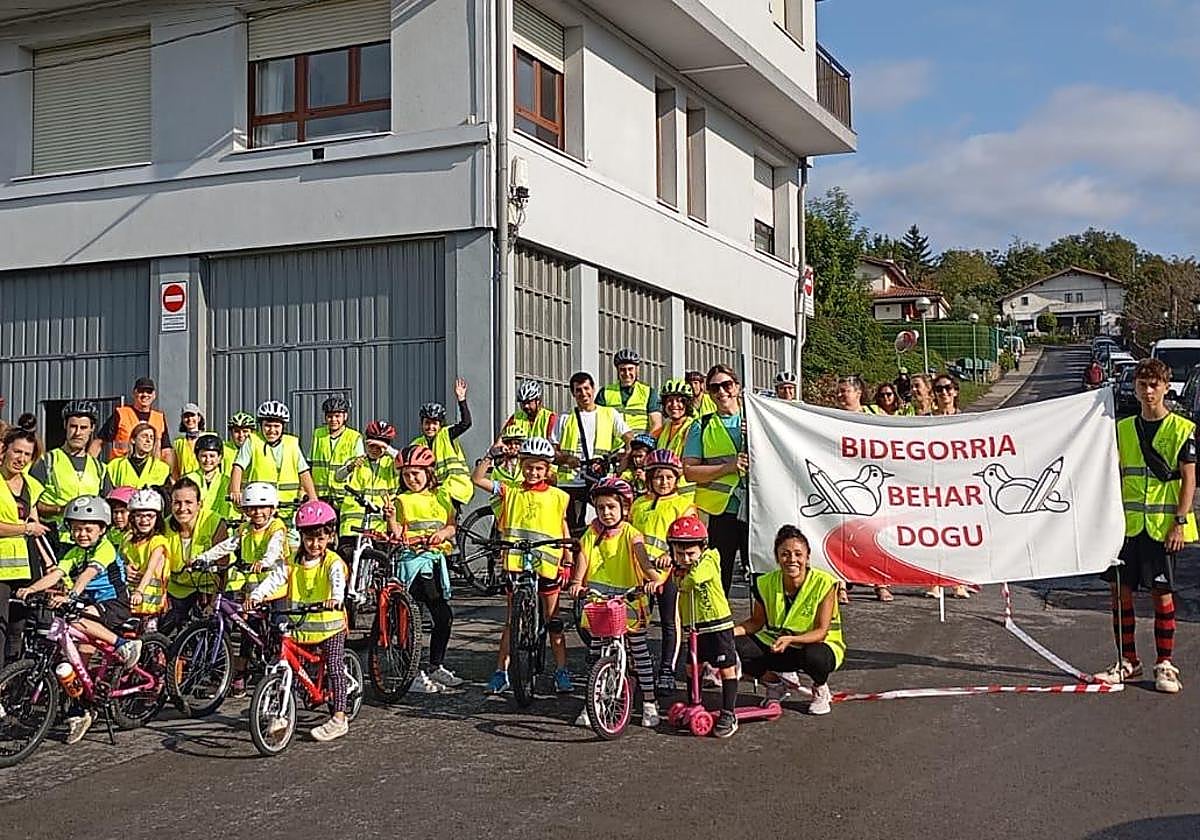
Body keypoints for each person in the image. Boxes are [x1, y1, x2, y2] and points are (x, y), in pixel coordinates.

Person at [1095, 358, 1194, 693]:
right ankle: (1128, 662)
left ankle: (1165, 664)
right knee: (1119, 595)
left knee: (1161, 596)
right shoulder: (1121, 429)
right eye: (1142, 384)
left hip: (1162, 528)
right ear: (1135, 388)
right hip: (1126, 528)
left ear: (1166, 387)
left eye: (1154, 385)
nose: (1148, 391)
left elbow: (1189, 480)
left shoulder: (1182, 429)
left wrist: (1179, 523)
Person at [16, 495, 142, 743]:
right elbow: (58, 573)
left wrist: (71, 596)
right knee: (73, 662)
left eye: (88, 529)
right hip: (87, 604)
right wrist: (32, 589)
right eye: (76, 529)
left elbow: (87, 575)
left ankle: (125, 645)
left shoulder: (105, 548)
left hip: (114, 603)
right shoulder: (75, 551)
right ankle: (82, 709)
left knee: (78, 619)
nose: (81, 534)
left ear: (102, 529)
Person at [471, 436, 573, 695]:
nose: (533, 472)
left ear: (547, 469)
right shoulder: (511, 491)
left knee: (553, 620)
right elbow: (478, 480)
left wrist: (568, 556)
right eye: (528, 466)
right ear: (521, 466)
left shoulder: (559, 496)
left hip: (547, 563)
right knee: (510, 622)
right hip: (516, 562)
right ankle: (500, 671)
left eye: (539, 468)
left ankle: (561, 670)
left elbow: (561, 524)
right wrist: (490, 455)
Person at [249, 499, 350, 742]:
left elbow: (338, 581)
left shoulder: (332, 561)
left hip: (330, 626)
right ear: (301, 537)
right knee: (290, 668)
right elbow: (275, 579)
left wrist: (335, 598)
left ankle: (339, 717)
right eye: (309, 538)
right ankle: (282, 714)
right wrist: (256, 595)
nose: (314, 544)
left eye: (320, 538)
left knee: (335, 666)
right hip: (301, 625)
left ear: (330, 537)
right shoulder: (292, 562)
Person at [568, 477, 661, 728]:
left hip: (629, 601)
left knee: (639, 652)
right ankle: (593, 704)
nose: (606, 513)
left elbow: (644, 562)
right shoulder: (591, 533)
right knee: (597, 653)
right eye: (601, 508)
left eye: (611, 507)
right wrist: (577, 582)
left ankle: (650, 702)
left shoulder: (632, 534)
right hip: (599, 601)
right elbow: (583, 559)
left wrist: (657, 580)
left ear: (624, 508)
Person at [192, 481, 291, 696]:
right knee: (247, 629)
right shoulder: (245, 529)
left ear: (272, 508)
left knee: (279, 627)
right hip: (252, 588)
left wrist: (265, 561)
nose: (257, 512)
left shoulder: (276, 528)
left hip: (275, 585)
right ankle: (240, 674)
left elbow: (274, 549)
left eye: (262, 507)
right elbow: (228, 545)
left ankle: (282, 671)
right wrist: (203, 558)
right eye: (251, 508)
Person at [734, 524, 844, 715]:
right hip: (778, 645)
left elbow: (821, 631)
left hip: (817, 645)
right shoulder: (765, 582)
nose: (792, 559)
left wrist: (792, 640)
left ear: (807, 557)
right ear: (777, 557)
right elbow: (756, 622)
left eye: (798, 554)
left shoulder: (825, 583)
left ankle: (820, 688)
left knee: (815, 656)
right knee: (733, 644)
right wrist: (726, 632)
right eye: (785, 554)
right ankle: (774, 684)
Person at [386, 444, 461, 693]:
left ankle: (435, 665)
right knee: (411, 621)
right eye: (406, 474)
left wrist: (442, 534)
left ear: (429, 473)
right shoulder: (401, 500)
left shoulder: (441, 496)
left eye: (416, 473)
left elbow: (451, 526)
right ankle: (413, 672)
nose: (411, 479)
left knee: (443, 617)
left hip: (435, 564)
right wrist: (390, 519)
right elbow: (396, 532)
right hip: (412, 566)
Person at [667, 515, 740, 738]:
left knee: (725, 667)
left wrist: (681, 575)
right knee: (692, 666)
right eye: (680, 554)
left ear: (702, 548)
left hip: (717, 623)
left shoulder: (709, 559)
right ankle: (694, 703)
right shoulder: (679, 567)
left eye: (691, 554)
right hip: (695, 626)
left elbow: (693, 580)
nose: (686, 559)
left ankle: (729, 712)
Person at [630, 449, 696, 694]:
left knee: (670, 622)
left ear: (676, 479)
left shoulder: (683, 505)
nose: (664, 482)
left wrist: (671, 555)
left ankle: (667, 669)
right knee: (636, 621)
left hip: (670, 572)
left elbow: (689, 539)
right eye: (658, 477)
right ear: (649, 478)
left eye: (669, 477)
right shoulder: (639, 504)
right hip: (640, 571)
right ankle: (637, 668)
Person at [682, 364, 747, 596]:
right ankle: (715, 627)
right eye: (714, 387)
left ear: (737, 387)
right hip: (722, 512)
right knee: (719, 575)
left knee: (762, 576)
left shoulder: (757, 419)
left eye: (726, 385)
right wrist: (728, 467)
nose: (721, 392)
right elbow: (689, 471)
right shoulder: (702, 425)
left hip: (758, 510)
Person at [553, 371, 633, 535]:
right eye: (578, 390)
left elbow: (629, 438)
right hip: (571, 481)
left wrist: (624, 459)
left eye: (586, 388)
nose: (584, 393)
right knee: (572, 527)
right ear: (573, 394)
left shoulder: (609, 414)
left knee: (609, 518)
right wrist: (566, 459)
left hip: (599, 477)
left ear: (593, 389)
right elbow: (552, 452)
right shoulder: (565, 418)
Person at [834, 375, 890, 603]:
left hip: (871, 488)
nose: (839, 395)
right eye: (838, 391)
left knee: (873, 536)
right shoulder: (829, 419)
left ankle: (881, 584)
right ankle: (840, 586)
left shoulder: (875, 414)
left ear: (858, 393)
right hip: (843, 482)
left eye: (844, 391)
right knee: (839, 536)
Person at [0, 427, 50, 667]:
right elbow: (29, 528)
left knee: (17, 631)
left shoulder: (31, 485)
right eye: (16, 451)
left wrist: (49, 564)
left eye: (26, 454)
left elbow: (36, 526)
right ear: (5, 450)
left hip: (26, 568)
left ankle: (10, 687)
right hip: (1, 571)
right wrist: (25, 529)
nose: (20, 459)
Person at [31, 401, 108, 552]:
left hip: (89, 544)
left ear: (91, 429)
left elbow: (107, 507)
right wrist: (60, 509)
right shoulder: (47, 461)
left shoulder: (100, 468)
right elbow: (31, 503)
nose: (78, 433)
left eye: (83, 427)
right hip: (55, 540)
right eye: (73, 426)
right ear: (65, 426)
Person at [229, 400, 317, 524]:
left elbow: (303, 472)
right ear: (261, 425)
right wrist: (235, 491)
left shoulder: (291, 444)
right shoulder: (252, 441)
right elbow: (238, 466)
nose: (272, 430)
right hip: (260, 508)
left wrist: (313, 498)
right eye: (267, 426)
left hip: (287, 508)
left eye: (276, 426)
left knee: (293, 540)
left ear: (283, 427)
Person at [162, 477, 226, 635]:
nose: (182, 508)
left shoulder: (215, 522)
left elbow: (223, 567)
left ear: (199, 504)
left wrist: (214, 601)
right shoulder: (164, 526)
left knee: (214, 632)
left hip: (208, 588)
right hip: (176, 589)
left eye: (188, 502)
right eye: (177, 503)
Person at [337, 420, 400, 549]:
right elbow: (338, 477)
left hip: (378, 527)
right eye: (371, 446)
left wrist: (387, 448)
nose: (375, 450)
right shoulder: (358, 462)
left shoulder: (391, 464)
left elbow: (403, 460)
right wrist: (351, 467)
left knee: (379, 564)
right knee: (348, 560)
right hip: (352, 525)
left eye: (379, 447)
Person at [412, 378, 473, 508]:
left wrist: (461, 399)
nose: (430, 427)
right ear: (422, 424)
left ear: (440, 425)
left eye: (434, 423)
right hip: (438, 489)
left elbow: (466, 423)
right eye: (427, 423)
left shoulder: (446, 434)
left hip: (456, 486)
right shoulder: (418, 443)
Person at [92, 377, 172, 464]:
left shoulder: (159, 418)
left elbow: (166, 451)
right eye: (141, 391)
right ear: (134, 393)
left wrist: (171, 474)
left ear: (154, 395)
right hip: (121, 469)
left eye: (149, 392)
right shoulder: (121, 414)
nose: (145, 395)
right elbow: (99, 442)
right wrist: (87, 468)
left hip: (151, 472)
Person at [123, 489, 170, 621]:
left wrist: (139, 591)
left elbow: (150, 569)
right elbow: (121, 561)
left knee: (148, 638)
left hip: (150, 605)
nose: (144, 520)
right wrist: (125, 568)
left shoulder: (158, 541)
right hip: (129, 600)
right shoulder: (127, 539)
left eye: (150, 516)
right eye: (139, 516)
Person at [309, 396, 364, 508]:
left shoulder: (354, 437)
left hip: (343, 496)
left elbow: (359, 468)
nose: (333, 420)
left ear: (345, 416)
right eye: (330, 416)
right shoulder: (318, 434)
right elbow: (310, 464)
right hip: (321, 496)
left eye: (337, 416)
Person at [597, 348, 662, 436]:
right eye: (623, 369)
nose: (627, 373)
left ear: (637, 369)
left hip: (639, 447)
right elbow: (597, 422)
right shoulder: (605, 392)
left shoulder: (649, 392)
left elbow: (656, 424)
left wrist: (645, 445)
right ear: (617, 370)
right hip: (615, 448)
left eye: (630, 369)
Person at [655, 379, 696, 499]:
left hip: (685, 493)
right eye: (669, 401)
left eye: (680, 401)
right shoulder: (666, 427)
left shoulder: (693, 427)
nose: (674, 405)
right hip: (666, 490)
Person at [105, 423, 171, 490]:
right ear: (133, 440)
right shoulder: (115, 466)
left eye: (151, 437)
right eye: (144, 436)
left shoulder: (162, 468)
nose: (148, 440)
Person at [484, 419, 528, 517]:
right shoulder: (498, 469)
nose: (513, 446)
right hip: (503, 513)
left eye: (517, 443)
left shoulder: (527, 467)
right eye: (509, 443)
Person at [185, 433, 233, 521]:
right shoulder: (188, 480)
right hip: (196, 528)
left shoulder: (227, 481)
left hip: (221, 529)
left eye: (212, 456)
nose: (208, 460)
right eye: (203, 456)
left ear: (220, 458)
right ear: (197, 457)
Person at [171, 403, 206, 480]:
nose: (190, 419)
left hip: (203, 482)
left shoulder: (207, 439)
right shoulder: (178, 443)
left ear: (199, 418)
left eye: (192, 415)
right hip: (184, 483)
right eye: (186, 416)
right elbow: (175, 469)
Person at [105, 486, 136, 552]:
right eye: (115, 512)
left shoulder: (137, 537)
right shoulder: (109, 533)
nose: (118, 516)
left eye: (122, 512)